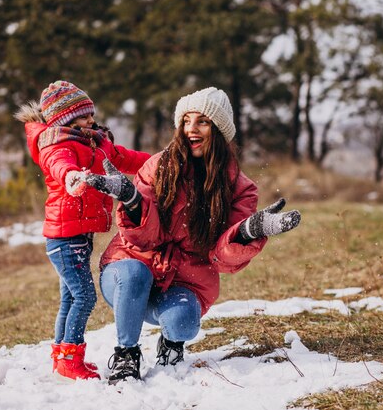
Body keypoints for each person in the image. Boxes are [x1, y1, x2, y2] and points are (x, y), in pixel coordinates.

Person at [85, 87, 301, 384]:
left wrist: (251, 230)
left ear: (219, 129)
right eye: (186, 121)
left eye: (202, 121)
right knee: (134, 274)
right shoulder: (159, 166)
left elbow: (221, 259)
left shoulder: (239, 187)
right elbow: (142, 240)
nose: (191, 129)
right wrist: (132, 200)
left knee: (182, 321)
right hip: (129, 270)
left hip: (187, 280)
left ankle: (172, 342)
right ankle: (126, 355)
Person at [14, 80, 150, 382]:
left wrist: (159, 161)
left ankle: (65, 358)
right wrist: (73, 176)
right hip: (64, 237)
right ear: (64, 119)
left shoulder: (94, 141)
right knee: (84, 297)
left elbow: (124, 157)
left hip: (77, 235)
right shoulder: (56, 143)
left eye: (90, 114)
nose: (91, 120)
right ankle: (69, 358)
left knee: (70, 297)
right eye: (83, 116)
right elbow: (60, 165)